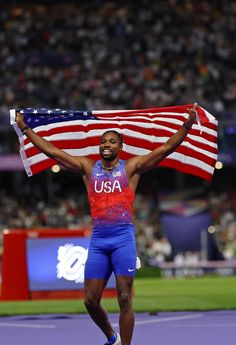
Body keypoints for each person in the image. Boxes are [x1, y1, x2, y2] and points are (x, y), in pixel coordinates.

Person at [16, 104, 197, 345]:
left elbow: (165, 149)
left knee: (124, 298)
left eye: (112, 142)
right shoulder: (88, 168)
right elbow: (52, 152)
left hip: (123, 239)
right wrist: (26, 129)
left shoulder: (131, 168)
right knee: (90, 301)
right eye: (103, 142)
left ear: (120, 147)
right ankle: (111, 336)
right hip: (100, 240)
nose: (106, 145)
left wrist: (186, 126)